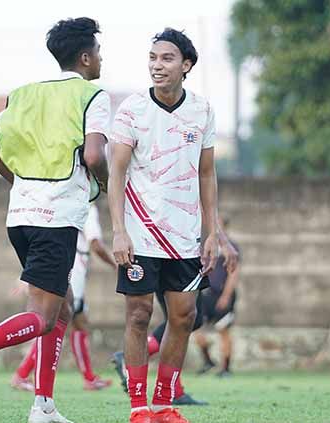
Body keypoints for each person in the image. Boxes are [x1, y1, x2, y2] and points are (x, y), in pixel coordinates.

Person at [0, 17, 110, 423]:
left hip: (20, 215)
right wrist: (105, 185)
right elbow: (93, 157)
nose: (101, 59)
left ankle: (44, 406)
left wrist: (19, 182)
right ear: (86, 57)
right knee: (43, 317)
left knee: (64, 308)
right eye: (99, 52)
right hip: (57, 218)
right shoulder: (93, 96)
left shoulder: (22, 94)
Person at [108, 28, 219, 423]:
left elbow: (207, 174)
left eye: (167, 58)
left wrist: (213, 231)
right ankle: (139, 408)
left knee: (185, 316)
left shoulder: (202, 111)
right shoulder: (131, 111)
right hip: (139, 233)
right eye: (154, 58)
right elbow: (116, 171)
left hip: (185, 235)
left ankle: (166, 404)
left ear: (186, 65)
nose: (158, 65)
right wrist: (118, 230)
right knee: (138, 315)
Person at [110, 227, 239, 405]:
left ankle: (173, 390)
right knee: (182, 319)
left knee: (184, 320)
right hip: (170, 249)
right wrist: (223, 242)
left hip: (175, 248)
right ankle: (158, 385)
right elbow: (203, 205)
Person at [11, 204, 116, 391]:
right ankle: (22, 374)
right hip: (73, 268)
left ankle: (89, 377)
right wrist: (116, 265)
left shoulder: (67, 202)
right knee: (52, 322)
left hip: (71, 264)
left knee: (80, 321)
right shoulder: (87, 206)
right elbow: (95, 244)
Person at [194, 217, 240, 377]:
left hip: (221, 295)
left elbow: (233, 273)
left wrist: (226, 296)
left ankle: (226, 368)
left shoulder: (231, 247)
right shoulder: (204, 245)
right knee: (196, 329)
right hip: (205, 294)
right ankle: (208, 361)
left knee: (223, 330)